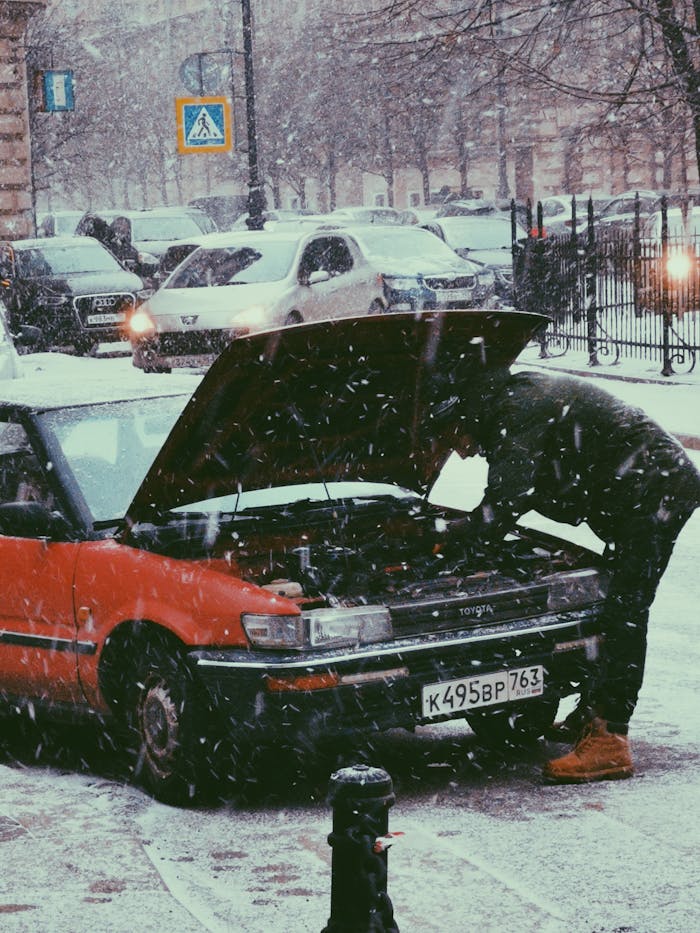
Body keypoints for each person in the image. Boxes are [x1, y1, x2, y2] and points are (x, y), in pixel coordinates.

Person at [425, 365, 700, 783]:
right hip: (645, 487)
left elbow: (507, 498)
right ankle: (592, 713)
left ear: (464, 417)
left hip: (655, 489)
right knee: (616, 605)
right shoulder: (510, 401)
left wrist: (448, 537)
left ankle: (610, 739)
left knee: (626, 609)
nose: (460, 451)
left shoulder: (517, 409)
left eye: (453, 439)